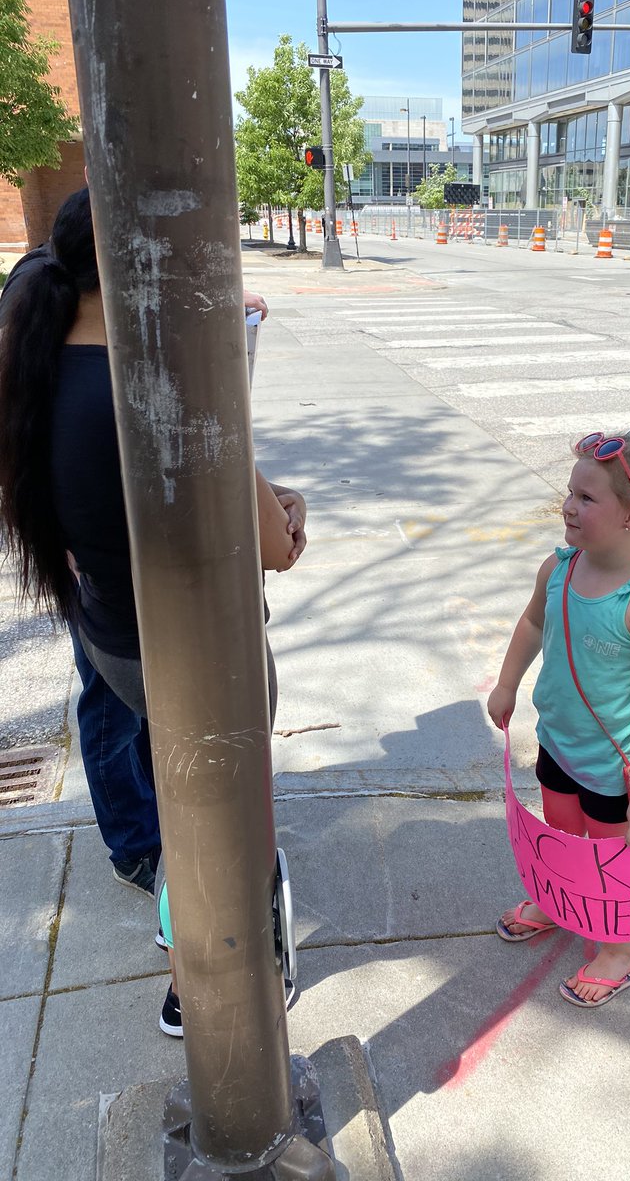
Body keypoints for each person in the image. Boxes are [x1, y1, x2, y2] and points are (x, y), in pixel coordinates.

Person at [0, 187, 306, 1033]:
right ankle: (199, 987)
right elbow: (274, 548)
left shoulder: (40, 347)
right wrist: (279, 503)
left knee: (186, 804)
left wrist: (261, 493)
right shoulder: (163, 387)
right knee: (212, 824)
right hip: (195, 655)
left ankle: (199, 962)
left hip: (109, 632)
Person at [487, 419, 630, 1009]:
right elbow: (533, 623)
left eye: (586, 497)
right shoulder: (559, 566)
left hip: (618, 767)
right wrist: (507, 683)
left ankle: (618, 950)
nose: (568, 506)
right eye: (570, 491)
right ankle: (559, 902)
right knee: (560, 835)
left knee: (611, 860)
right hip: (559, 743)